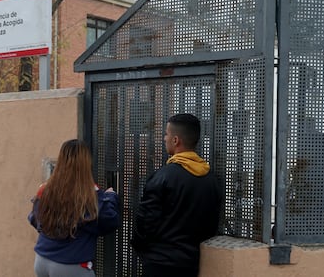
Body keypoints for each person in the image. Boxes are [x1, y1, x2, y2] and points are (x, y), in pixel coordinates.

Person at [131, 113, 221, 277]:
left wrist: (143, 250)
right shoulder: (211, 179)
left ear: (175, 140)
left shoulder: (163, 177)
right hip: (192, 264)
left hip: (160, 264)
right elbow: (211, 225)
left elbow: (145, 222)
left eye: (166, 134)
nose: (164, 138)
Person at [28, 139, 119, 277]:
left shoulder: (46, 189)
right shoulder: (89, 195)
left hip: (42, 260)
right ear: (86, 163)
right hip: (71, 264)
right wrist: (110, 197)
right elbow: (109, 220)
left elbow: (35, 219)